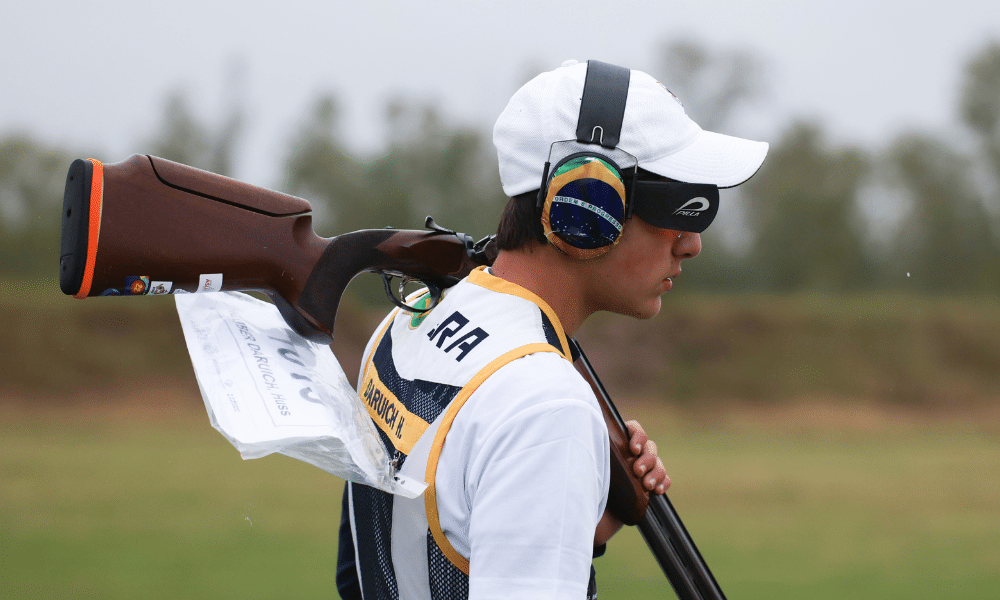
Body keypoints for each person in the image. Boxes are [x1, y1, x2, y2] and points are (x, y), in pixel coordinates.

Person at [336, 59, 768, 600]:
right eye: (680, 208)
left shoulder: (411, 316)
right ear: (587, 207)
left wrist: (569, 525)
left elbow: (366, 571)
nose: (691, 242)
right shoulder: (548, 406)